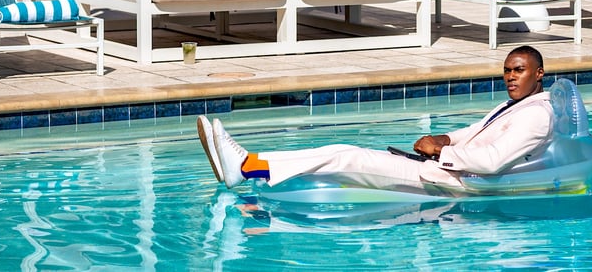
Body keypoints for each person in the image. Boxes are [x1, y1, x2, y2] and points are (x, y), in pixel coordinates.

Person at [198, 45, 554, 194]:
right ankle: (251, 164)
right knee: (341, 152)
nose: (510, 77)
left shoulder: (536, 115)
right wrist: (444, 138)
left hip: (450, 181)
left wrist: (439, 152)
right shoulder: (517, 104)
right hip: (440, 167)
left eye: (519, 70)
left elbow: (492, 161)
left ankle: (245, 167)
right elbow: (476, 132)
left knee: (346, 156)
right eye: (507, 70)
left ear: (539, 73)